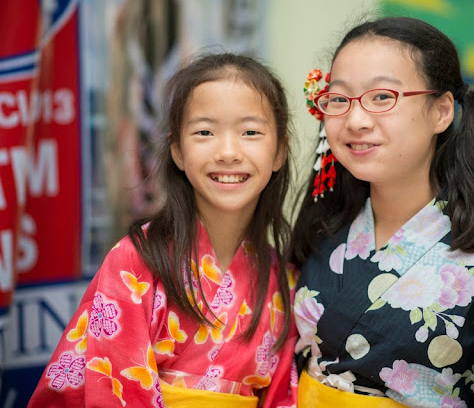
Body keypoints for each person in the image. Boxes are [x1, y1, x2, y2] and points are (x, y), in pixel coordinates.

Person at [292, 16, 474, 407]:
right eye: (339, 99)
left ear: (442, 111)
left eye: (382, 97)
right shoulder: (321, 235)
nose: (355, 120)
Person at [29, 53, 298, 407]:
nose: (228, 152)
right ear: (178, 151)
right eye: (204, 132)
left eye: (250, 132)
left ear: (278, 151)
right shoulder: (135, 262)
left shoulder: (284, 281)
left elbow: (282, 397)